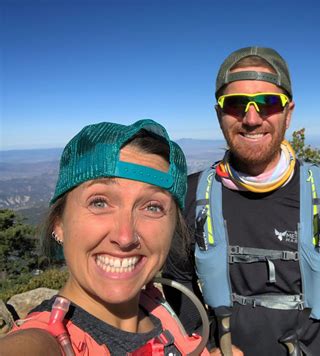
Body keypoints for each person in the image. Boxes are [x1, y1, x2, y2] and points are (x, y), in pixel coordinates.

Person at [162, 47, 320, 356]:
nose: (252, 119)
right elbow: (178, 281)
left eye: (268, 103)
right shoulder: (193, 195)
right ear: (219, 114)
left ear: (288, 113)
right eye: (236, 104)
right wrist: (205, 346)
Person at [0, 119, 210, 355]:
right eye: (99, 202)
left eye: (153, 207)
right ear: (59, 224)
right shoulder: (43, 342)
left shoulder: (155, 304)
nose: (125, 236)